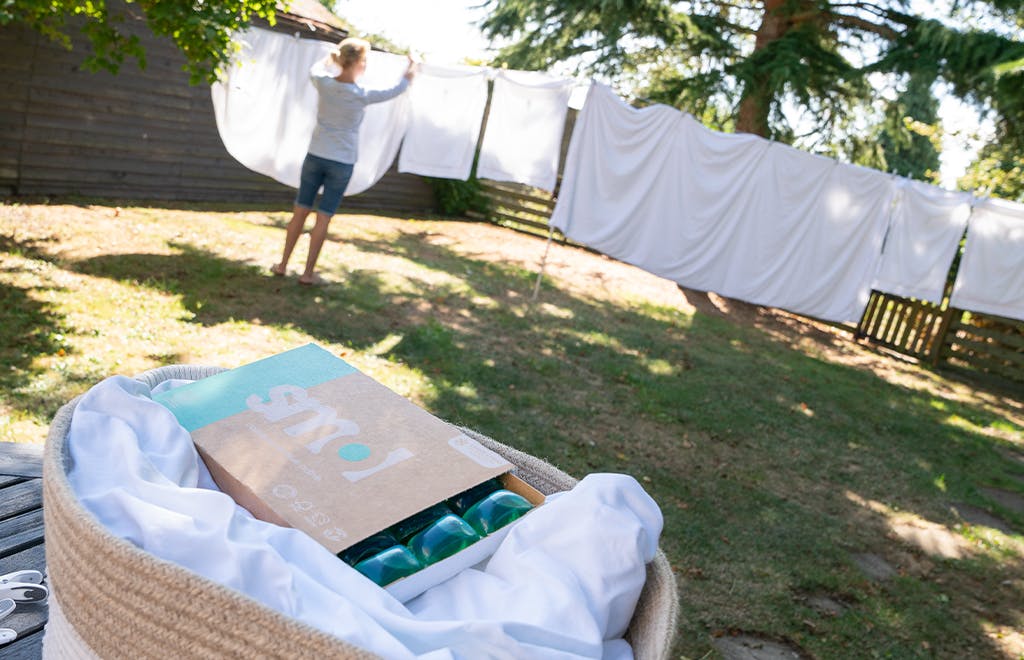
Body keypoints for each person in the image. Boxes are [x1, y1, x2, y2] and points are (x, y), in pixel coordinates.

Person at [272, 38, 416, 285]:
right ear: (360, 63)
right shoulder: (362, 95)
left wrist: (328, 57)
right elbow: (398, 88)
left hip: (316, 155)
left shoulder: (324, 83)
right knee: (323, 218)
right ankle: (307, 274)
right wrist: (412, 67)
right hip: (342, 162)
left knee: (300, 211)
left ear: (341, 59)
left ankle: (283, 265)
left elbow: (314, 70)